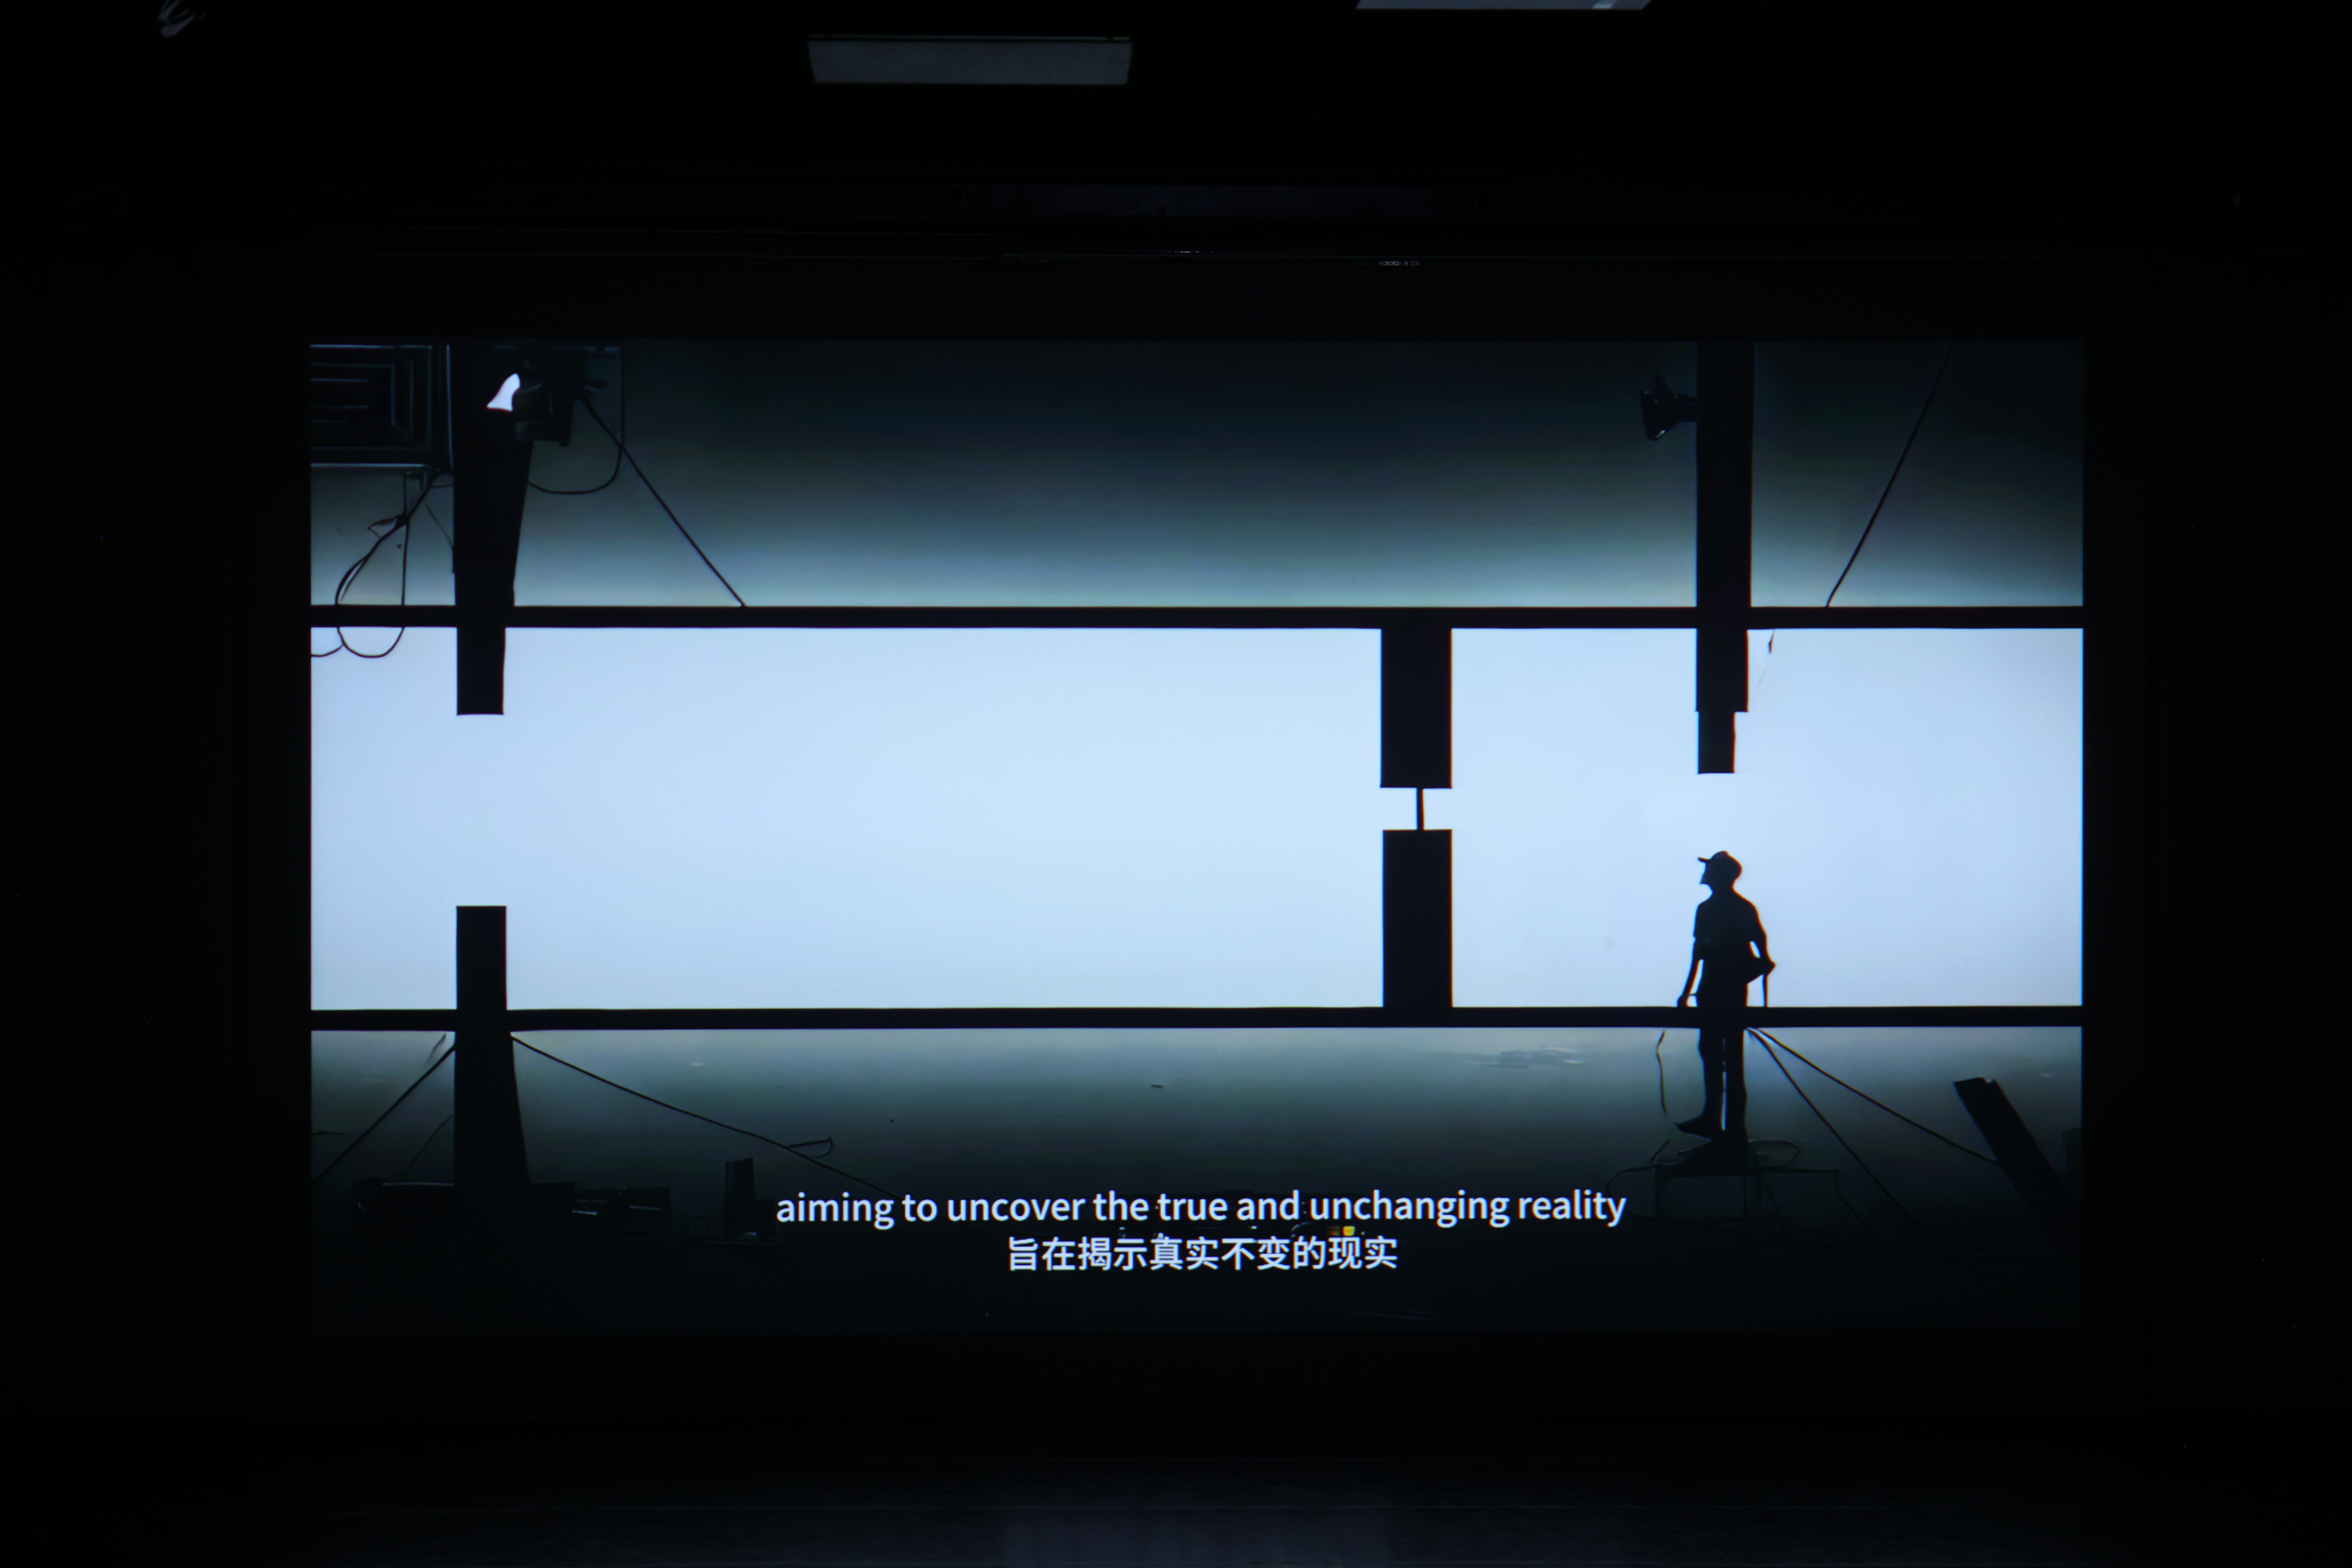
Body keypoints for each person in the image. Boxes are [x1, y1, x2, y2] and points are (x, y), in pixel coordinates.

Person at [1674, 852, 1774, 1141]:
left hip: (1713, 988)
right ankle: (1732, 1127)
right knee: (1732, 1058)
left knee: (1713, 1054)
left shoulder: (1708, 909)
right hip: (1732, 989)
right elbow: (1760, 940)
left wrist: (1686, 992)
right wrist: (1764, 961)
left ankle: (1716, 1120)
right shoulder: (1743, 907)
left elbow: (1699, 953)